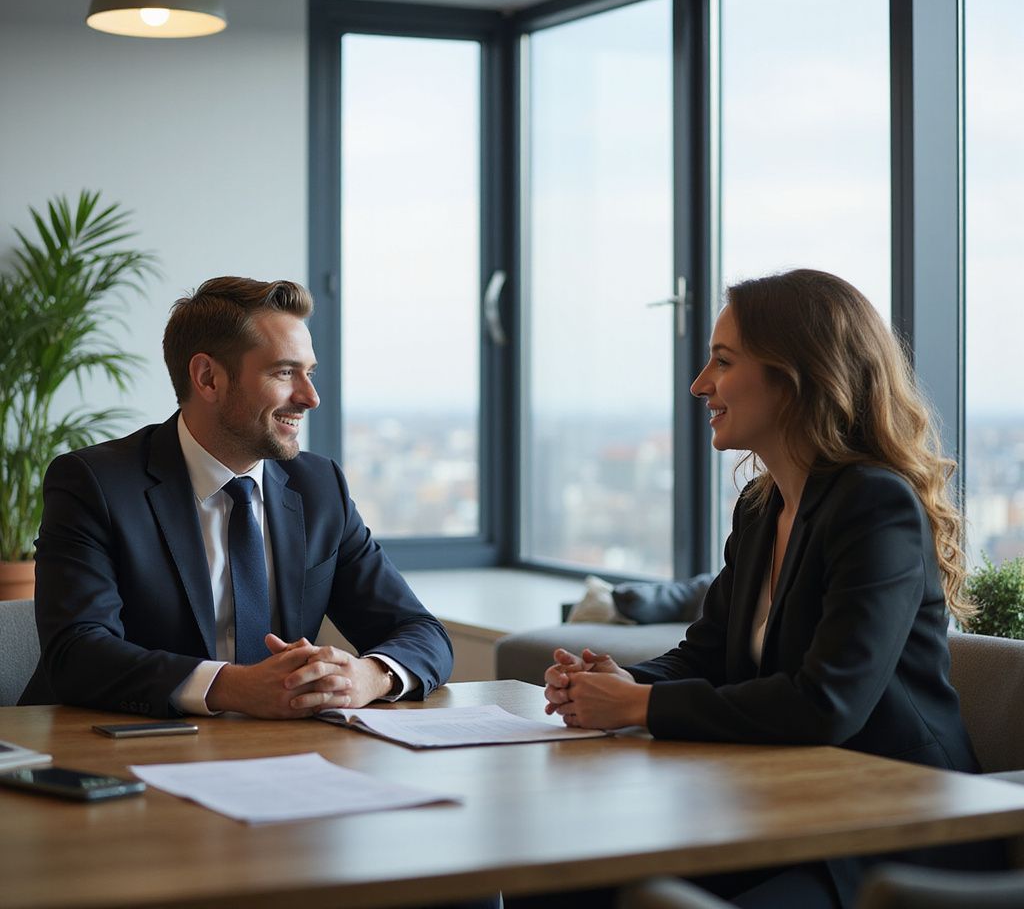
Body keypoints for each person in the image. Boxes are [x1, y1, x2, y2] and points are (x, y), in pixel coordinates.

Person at [539, 269, 985, 909]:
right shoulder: (761, 505)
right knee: (564, 888)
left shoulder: (874, 505)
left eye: (722, 361)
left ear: (796, 375)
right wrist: (624, 682)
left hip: (893, 831)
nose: (700, 385)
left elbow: (827, 703)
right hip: (788, 809)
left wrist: (637, 709)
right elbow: (707, 654)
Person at [20, 276, 453, 719]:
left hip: (275, 754)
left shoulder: (319, 487)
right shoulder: (95, 483)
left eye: (310, 373)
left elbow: (420, 631)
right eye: (285, 372)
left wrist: (368, 675)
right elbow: (76, 653)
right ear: (208, 378)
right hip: (116, 748)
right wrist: (229, 687)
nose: (310, 397)